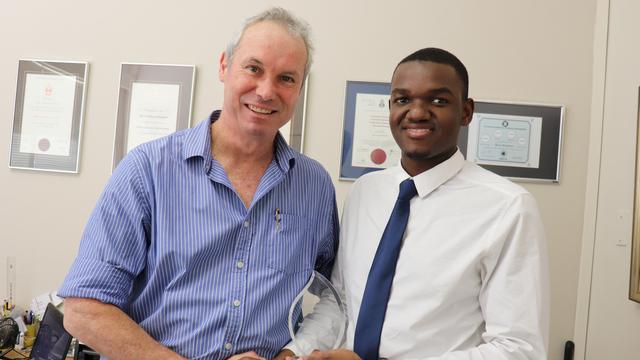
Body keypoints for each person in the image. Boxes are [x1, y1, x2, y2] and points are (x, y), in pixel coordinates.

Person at [58, 7, 339, 360]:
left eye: (287, 78)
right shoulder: (147, 170)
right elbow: (84, 309)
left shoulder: (315, 186)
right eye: (254, 68)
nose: (266, 91)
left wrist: (292, 355)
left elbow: (335, 294)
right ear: (224, 66)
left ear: (299, 89)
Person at [283, 48, 550, 360]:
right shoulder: (364, 191)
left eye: (438, 100)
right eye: (402, 99)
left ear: (466, 112)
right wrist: (292, 354)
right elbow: (340, 301)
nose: (417, 112)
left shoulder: (508, 207)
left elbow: (519, 350)